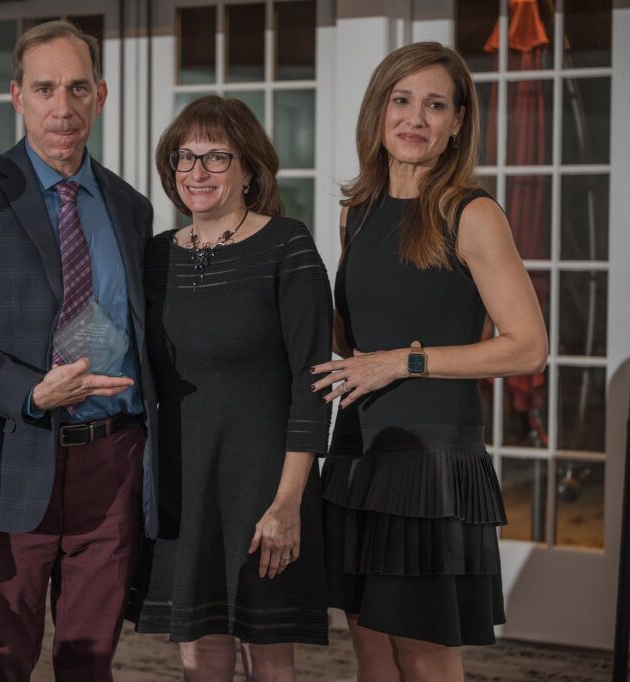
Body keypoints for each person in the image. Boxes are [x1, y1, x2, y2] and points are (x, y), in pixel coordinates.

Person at [0, 20, 156, 682]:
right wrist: (28, 390)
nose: (62, 107)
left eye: (78, 88)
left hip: (114, 459)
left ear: (100, 96)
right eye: (45, 88)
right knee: (5, 659)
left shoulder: (131, 208)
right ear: (17, 96)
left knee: (91, 660)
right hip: (12, 455)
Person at [311, 42, 549, 682]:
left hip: (431, 463)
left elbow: (528, 345)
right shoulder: (357, 212)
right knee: (369, 648)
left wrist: (403, 363)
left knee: (423, 655)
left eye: (435, 105)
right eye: (402, 100)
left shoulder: (472, 213)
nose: (415, 118)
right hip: (360, 449)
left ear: (458, 122)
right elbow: (353, 339)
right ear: (379, 110)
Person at [124, 95, 333, 681]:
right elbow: (107, 332)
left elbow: (312, 383)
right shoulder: (155, 256)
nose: (197, 172)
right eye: (184, 157)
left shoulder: (287, 245)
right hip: (182, 480)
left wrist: (288, 502)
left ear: (249, 170)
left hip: (265, 484)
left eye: (217, 157)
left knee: (267, 656)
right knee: (199, 651)